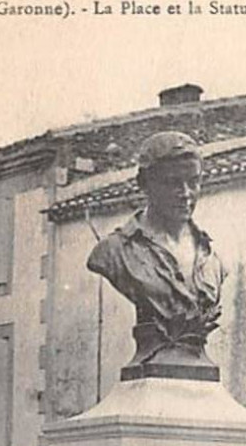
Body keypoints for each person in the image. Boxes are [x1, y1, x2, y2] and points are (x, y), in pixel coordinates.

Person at [86, 130, 226, 379]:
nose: (186, 193)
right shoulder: (114, 252)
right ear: (144, 184)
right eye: (173, 182)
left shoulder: (212, 259)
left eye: (193, 181)